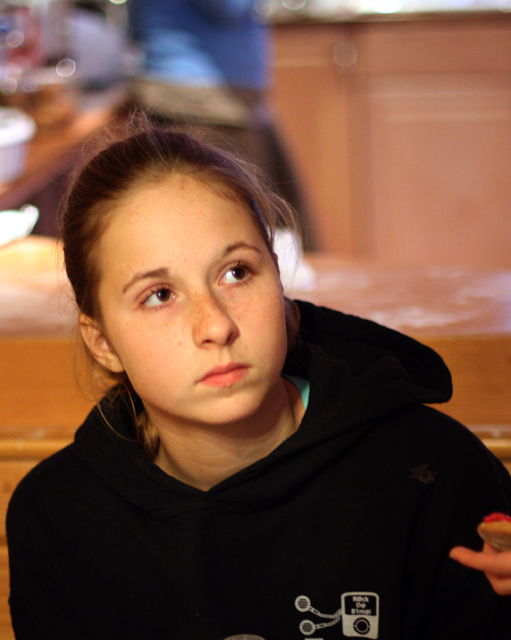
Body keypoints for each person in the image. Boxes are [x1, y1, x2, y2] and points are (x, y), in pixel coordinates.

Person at [6, 114, 511, 640]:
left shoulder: (432, 474)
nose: (216, 326)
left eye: (237, 273)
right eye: (159, 295)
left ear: (277, 275)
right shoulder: (57, 521)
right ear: (102, 341)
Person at [125, 0, 313, 247]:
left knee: (280, 236)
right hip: (201, 102)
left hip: (208, 98)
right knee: (242, 239)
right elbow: (230, 7)